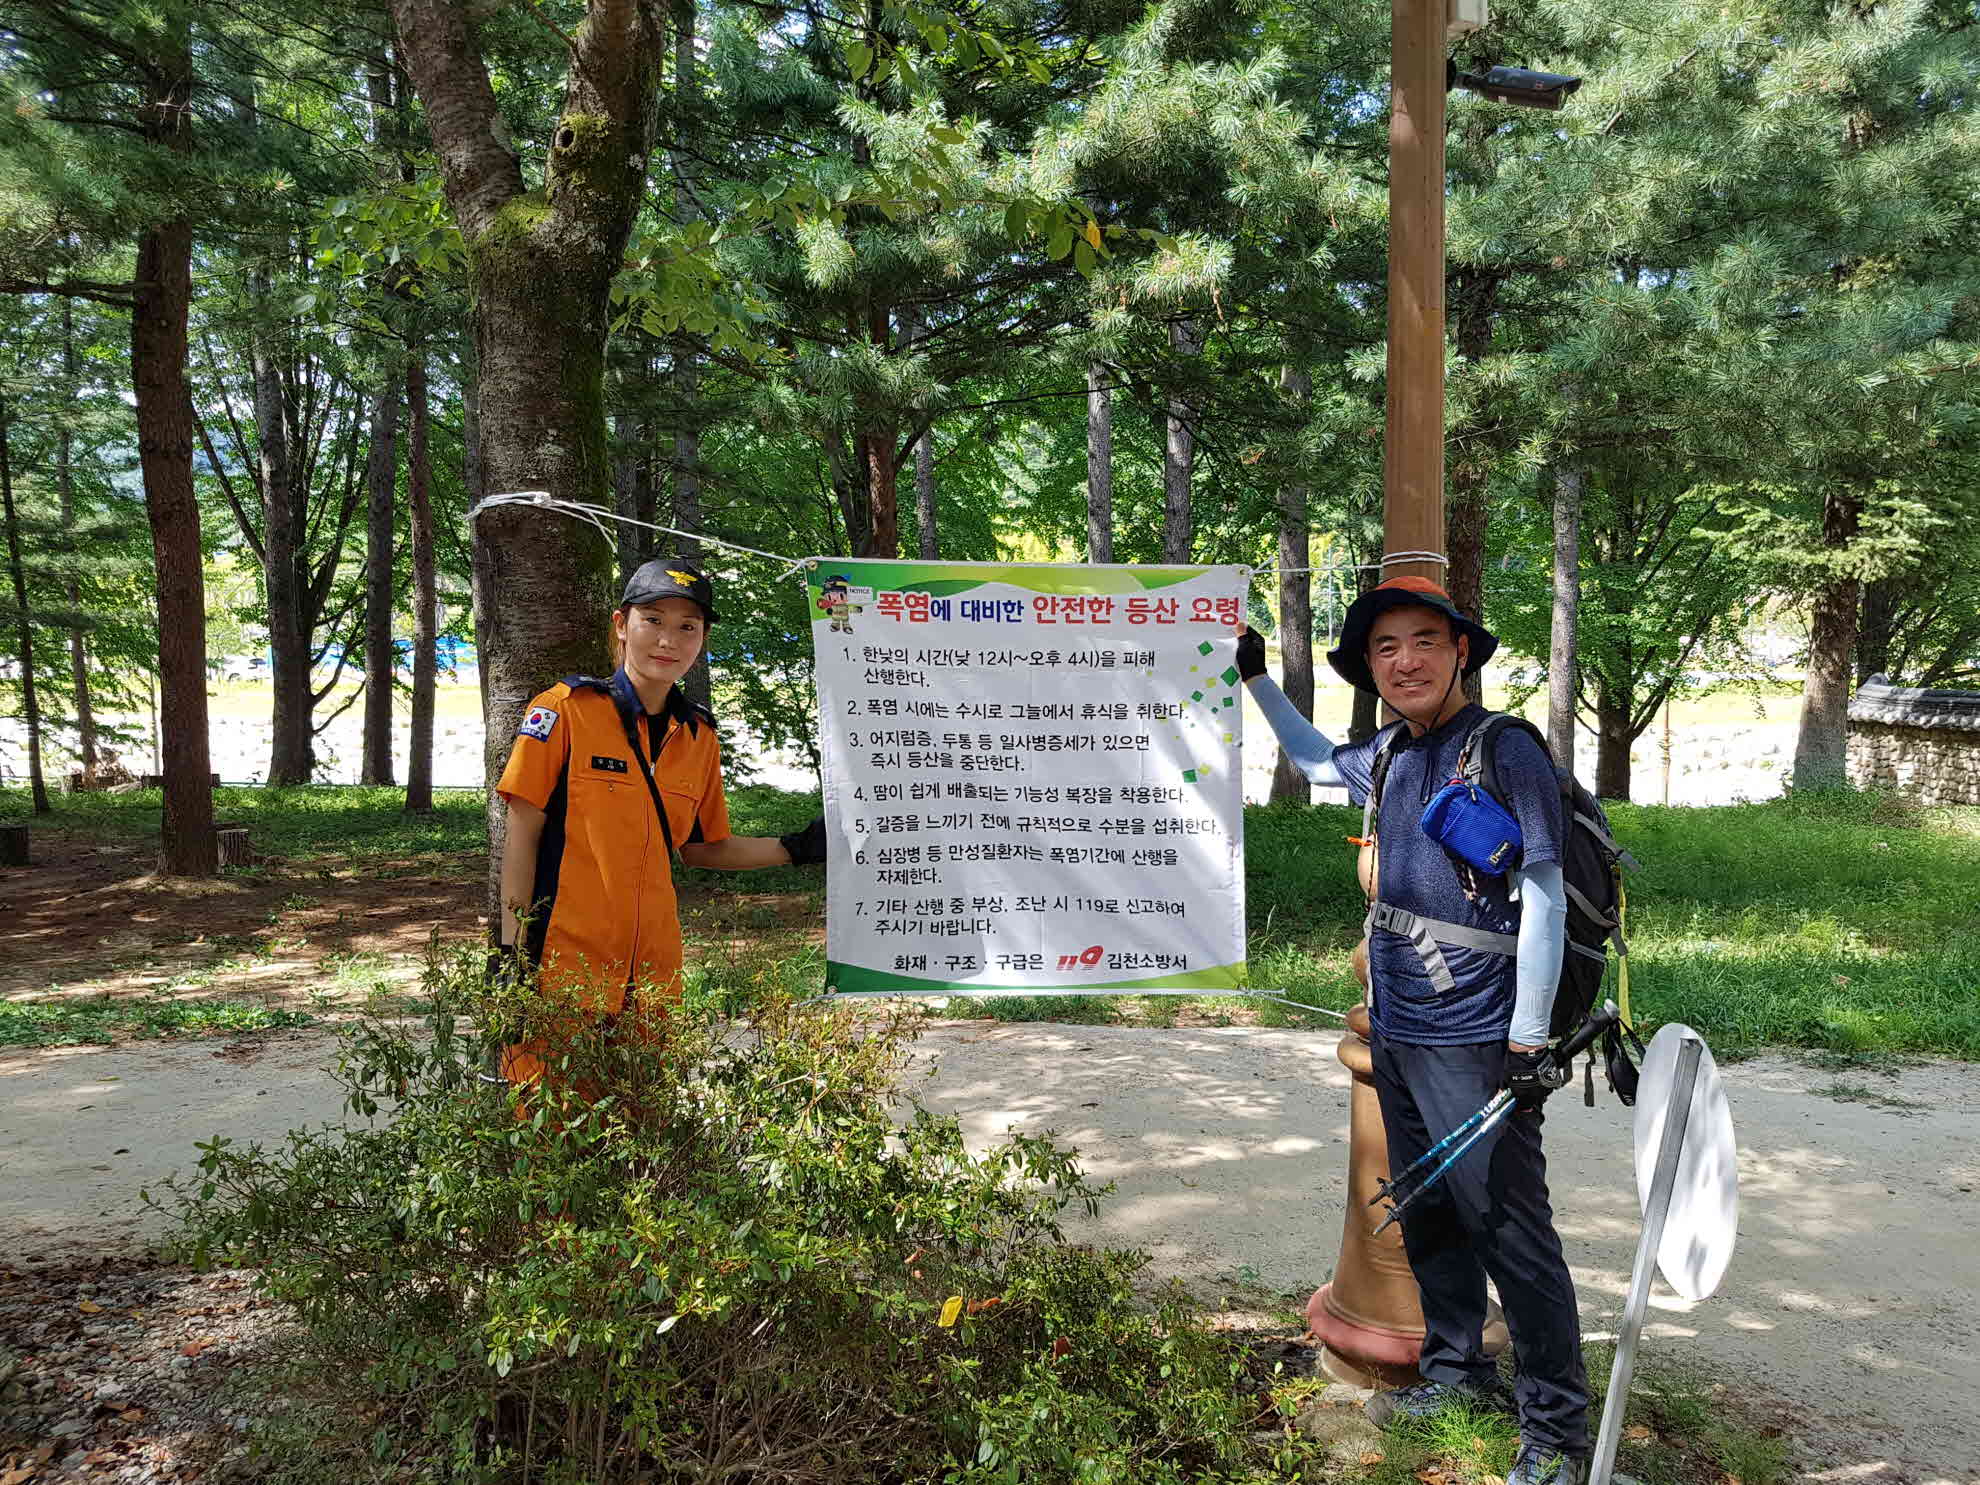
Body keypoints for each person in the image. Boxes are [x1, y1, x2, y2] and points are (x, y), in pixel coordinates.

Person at [1237, 575, 1589, 1485]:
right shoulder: (1391, 752)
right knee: (1429, 1212)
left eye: (1425, 640)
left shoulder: (1505, 749)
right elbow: (1315, 759)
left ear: (1460, 650)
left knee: (1511, 1231)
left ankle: (1556, 1432)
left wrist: (1528, 1037)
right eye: (1386, 647)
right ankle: (1457, 1373)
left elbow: (1545, 896)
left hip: (1476, 1035)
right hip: (1399, 1027)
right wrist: (1255, 677)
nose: (1406, 661)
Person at [492, 557, 826, 1084]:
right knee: (546, 1116)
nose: (669, 640)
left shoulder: (698, 737)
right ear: (622, 626)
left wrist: (802, 845)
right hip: (562, 965)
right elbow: (522, 836)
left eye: (687, 627)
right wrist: (512, 954)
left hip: (651, 977)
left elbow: (702, 846)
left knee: (644, 1113)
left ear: (703, 639)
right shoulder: (566, 710)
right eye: (653, 620)